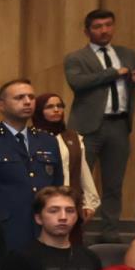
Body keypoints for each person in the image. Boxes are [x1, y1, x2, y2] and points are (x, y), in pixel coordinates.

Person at [64, 8, 135, 229]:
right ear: (87, 31)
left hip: (119, 125)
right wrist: (113, 73)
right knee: (78, 180)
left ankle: (110, 230)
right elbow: (77, 83)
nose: (104, 30)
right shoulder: (77, 57)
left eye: (108, 25)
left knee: (114, 182)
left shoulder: (127, 54)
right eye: (98, 27)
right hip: (87, 127)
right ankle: (74, 229)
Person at [0, 79, 65, 252]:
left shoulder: (48, 141)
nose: (28, 101)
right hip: (5, 230)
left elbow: (57, 185)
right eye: (19, 97)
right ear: (1, 105)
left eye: (31, 97)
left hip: (45, 230)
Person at [30, 92, 101, 221]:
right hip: (42, 203)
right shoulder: (30, 137)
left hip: (70, 201)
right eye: (49, 107)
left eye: (59, 106)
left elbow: (83, 171)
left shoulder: (73, 137)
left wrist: (89, 202)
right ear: (39, 111)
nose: (56, 110)